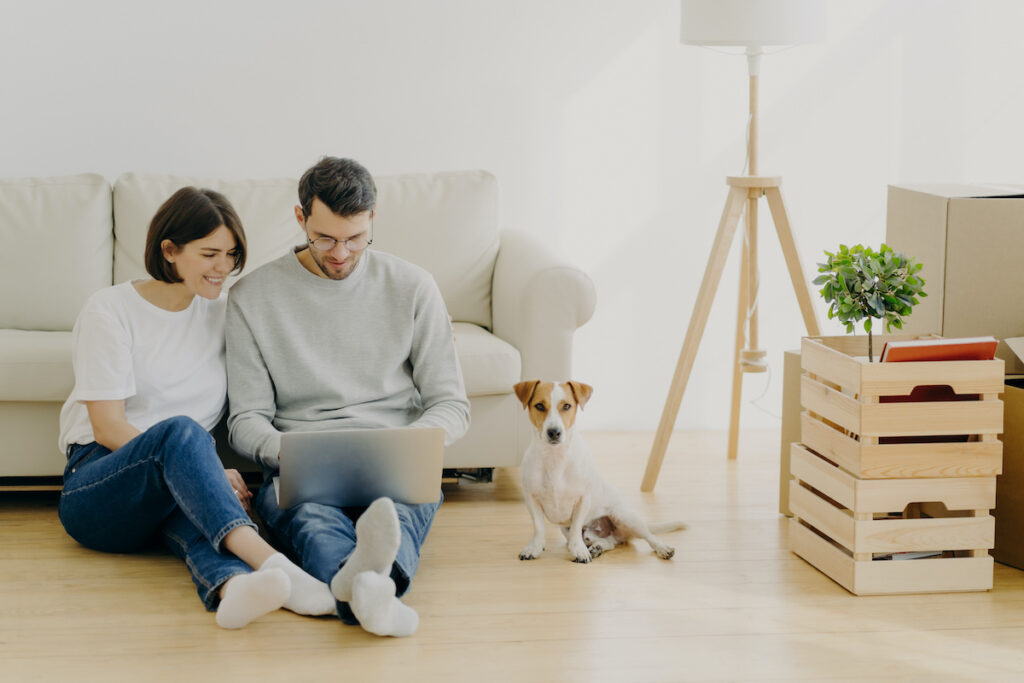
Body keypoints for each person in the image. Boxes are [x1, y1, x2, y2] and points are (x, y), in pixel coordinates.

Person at [57, 187, 336, 629]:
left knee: (201, 519)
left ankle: (233, 589)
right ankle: (278, 567)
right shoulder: (110, 309)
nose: (223, 267)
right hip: (98, 486)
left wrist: (409, 343)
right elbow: (108, 427)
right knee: (183, 432)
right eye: (209, 254)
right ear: (169, 250)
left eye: (231, 254)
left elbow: (301, 340)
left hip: (175, 490)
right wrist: (201, 464)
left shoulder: (226, 313)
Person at [226, 157, 470, 637]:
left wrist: (411, 445)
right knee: (312, 522)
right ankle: (377, 594)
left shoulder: (413, 286)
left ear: (373, 219)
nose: (341, 253)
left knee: (400, 514)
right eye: (326, 238)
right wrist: (287, 451)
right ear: (301, 219)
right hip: (303, 463)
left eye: (356, 238)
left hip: (395, 455)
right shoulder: (252, 297)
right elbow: (246, 419)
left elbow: (451, 403)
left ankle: (364, 589)